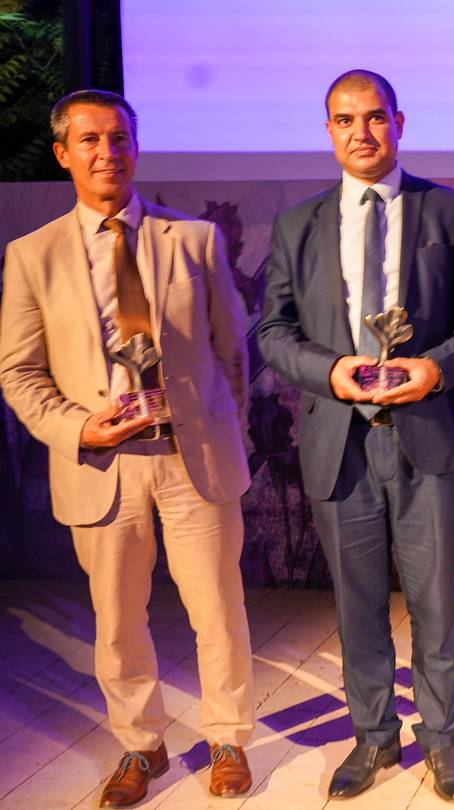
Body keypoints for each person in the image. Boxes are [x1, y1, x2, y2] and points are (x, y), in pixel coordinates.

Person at [0, 89, 255, 806]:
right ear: (63, 153)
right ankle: (141, 748)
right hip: (101, 464)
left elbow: (229, 348)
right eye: (89, 141)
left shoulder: (194, 240)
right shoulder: (32, 256)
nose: (106, 152)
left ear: (135, 147)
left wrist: (215, 422)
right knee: (116, 623)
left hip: (190, 460)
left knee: (218, 610)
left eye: (118, 138)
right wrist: (77, 428)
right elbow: (17, 372)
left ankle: (229, 734)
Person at [257, 69, 454, 802]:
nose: (362, 132)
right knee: (357, 607)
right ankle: (374, 736)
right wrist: (333, 371)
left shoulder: (448, 212)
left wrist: (435, 369)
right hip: (340, 445)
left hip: (429, 437)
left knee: (436, 605)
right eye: (345, 120)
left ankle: (442, 741)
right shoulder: (298, 225)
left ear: (399, 122)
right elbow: (273, 331)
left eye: (375, 118)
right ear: (328, 131)